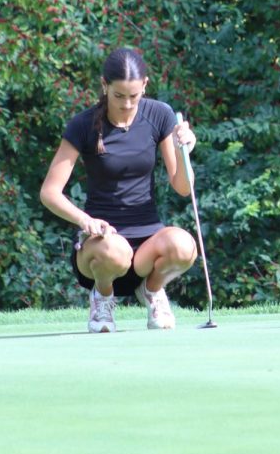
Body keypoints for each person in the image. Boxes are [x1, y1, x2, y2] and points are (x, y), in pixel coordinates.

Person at [40, 47, 198, 332]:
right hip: (102, 246)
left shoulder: (159, 115)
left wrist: (183, 150)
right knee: (114, 250)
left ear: (145, 86)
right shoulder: (83, 125)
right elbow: (50, 192)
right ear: (104, 85)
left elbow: (183, 188)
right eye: (118, 96)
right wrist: (85, 221)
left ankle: (152, 291)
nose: (127, 104)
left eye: (134, 96)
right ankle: (102, 297)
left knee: (185, 246)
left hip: (147, 247)